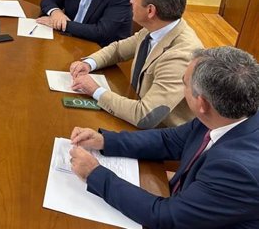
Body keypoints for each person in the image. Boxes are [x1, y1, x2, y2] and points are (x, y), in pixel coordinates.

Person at [69, 46, 259, 228]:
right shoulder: (227, 113)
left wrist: (94, 174)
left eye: (184, 83)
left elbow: (166, 217)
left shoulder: (238, 170)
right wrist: (106, 141)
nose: (182, 88)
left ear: (202, 103)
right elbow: (169, 140)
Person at [70, 0, 203, 129]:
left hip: (159, 133)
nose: (130, 1)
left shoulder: (181, 56)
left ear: (150, 10)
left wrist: (95, 90)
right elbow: (118, 49)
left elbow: (144, 116)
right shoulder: (156, 28)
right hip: (133, 110)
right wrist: (89, 63)